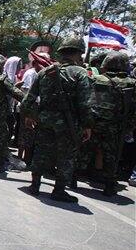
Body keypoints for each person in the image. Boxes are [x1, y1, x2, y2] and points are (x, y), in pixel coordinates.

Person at [21, 36, 93, 202]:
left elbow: (27, 101)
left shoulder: (44, 72)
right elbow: (85, 104)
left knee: (41, 152)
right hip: (69, 124)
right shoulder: (81, 74)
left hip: (45, 120)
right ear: (78, 54)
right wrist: (88, 125)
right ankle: (59, 190)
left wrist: (30, 116)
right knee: (66, 156)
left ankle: (34, 185)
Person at [82, 51, 135, 196]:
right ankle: (109, 185)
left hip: (94, 123)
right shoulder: (131, 83)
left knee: (85, 150)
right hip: (116, 127)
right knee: (112, 155)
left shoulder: (96, 79)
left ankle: (74, 178)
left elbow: (86, 100)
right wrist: (130, 126)